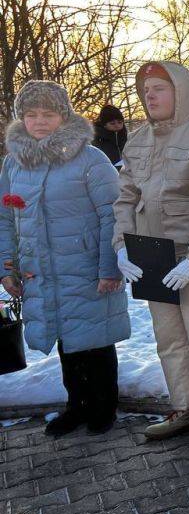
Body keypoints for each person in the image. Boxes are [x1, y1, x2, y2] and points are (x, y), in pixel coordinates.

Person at [113, 61, 189, 442]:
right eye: (145, 89)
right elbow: (125, 199)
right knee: (169, 337)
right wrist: (122, 247)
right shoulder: (136, 141)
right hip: (151, 256)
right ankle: (184, 407)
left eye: (159, 89)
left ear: (180, 93)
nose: (150, 95)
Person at [0, 81, 130, 435]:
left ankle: (104, 407)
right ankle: (77, 406)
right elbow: (6, 219)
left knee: (94, 339)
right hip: (40, 271)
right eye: (31, 114)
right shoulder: (14, 165)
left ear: (64, 115)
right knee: (65, 339)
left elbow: (112, 214)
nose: (39, 121)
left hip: (87, 268)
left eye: (48, 113)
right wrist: (7, 268)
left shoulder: (90, 159)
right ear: (21, 118)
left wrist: (109, 267)